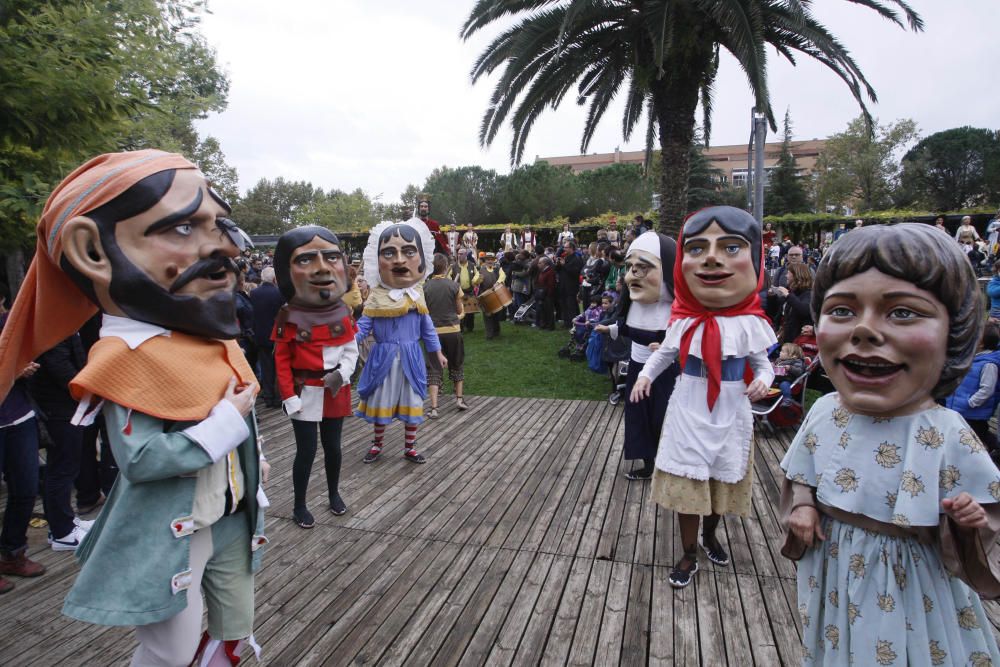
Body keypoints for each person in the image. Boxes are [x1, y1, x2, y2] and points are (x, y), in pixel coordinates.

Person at [0, 150, 266, 665]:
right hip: (173, 537)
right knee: (171, 652)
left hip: (231, 518)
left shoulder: (208, 342)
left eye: (220, 224)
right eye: (184, 227)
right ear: (92, 252)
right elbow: (140, 460)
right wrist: (224, 427)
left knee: (234, 636)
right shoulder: (126, 358)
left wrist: (247, 463)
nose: (225, 246)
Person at [780, 222, 1000, 667]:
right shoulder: (826, 410)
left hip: (912, 581)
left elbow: (987, 513)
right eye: (841, 311)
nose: (863, 331)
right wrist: (803, 505)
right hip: (836, 566)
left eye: (902, 312)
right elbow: (801, 470)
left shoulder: (946, 430)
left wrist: (970, 520)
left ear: (953, 332)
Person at [631, 206, 776, 588]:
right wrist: (644, 376)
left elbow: (763, 364)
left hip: (731, 409)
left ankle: (712, 535)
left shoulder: (750, 322)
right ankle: (689, 552)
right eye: (697, 249)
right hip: (689, 406)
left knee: (721, 480)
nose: (712, 258)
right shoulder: (684, 319)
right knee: (688, 483)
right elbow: (663, 353)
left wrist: (763, 380)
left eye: (730, 248)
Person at [272, 226, 358, 528]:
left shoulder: (343, 312)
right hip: (304, 391)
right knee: (306, 451)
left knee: (333, 448)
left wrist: (343, 374)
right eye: (307, 259)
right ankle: (299, 504)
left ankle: (334, 493)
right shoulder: (288, 315)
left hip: (335, 389)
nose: (322, 267)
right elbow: (281, 361)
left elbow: (351, 350)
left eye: (331, 257)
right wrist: (289, 397)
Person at [355, 218, 446, 465]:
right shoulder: (375, 298)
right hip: (382, 357)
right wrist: (348, 342)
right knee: (381, 400)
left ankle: (410, 447)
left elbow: (428, 329)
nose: (398, 260)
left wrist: (437, 352)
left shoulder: (418, 297)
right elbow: (363, 327)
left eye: (408, 252)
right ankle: (377, 444)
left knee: (411, 401)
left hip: (410, 357)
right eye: (389, 253)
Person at [596, 231, 679, 480]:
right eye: (630, 267)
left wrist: (668, 347)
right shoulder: (635, 306)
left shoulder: (677, 312)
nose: (631, 275)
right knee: (638, 417)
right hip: (637, 367)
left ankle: (670, 465)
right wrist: (608, 328)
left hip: (665, 375)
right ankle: (648, 463)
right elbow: (628, 328)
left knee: (663, 418)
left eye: (642, 268)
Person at [28, 333, 92, 551]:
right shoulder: (54, 327)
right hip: (59, 407)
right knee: (62, 469)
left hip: (65, 405)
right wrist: (87, 390)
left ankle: (65, 521)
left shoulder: (63, 325)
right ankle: (62, 533)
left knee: (66, 466)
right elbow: (60, 367)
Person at [0, 306, 46, 593]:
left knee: (27, 488)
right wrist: (12, 370)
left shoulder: (9, 322)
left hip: (19, 416)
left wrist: (26, 366)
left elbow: (29, 353)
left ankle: (11, 553)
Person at [424, 254, 468, 418]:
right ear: (445, 267)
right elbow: (458, 310)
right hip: (453, 330)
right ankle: (459, 400)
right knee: (457, 364)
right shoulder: (453, 286)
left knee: (434, 368)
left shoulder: (425, 287)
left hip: (433, 333)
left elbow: (424, 312)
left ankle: (434, 408)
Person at [945, 321, 1000, 453]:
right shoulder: (972, 358)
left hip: (974, 413)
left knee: (975, 438)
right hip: (961, 409)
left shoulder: (988, 365)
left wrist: (971, 402)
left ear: (981, 343)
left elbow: (987, 389)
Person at [250, 267, 284, 408]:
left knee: (265, 367)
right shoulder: (279, 293)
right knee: (278, 367)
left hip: (260, 336)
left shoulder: (253, 293)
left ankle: (268, 396)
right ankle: (278, 397)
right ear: (275, 279)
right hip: (277, 335)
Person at [775, 262, 813, 343]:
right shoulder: (791, 291)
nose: (786, 276)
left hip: (798, 342)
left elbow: (804, 310)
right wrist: (771, 297)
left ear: (796, 275)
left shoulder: (809, 293)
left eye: (788, 273)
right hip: (785, 338)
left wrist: (788, 295)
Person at [450, 247, 481, 332]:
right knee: (459, 310)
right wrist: (452, 284)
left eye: (461, 254)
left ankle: (470, 328)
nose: (459, 255)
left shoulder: (472, 265)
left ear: (466, 255)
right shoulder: (453, 266)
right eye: (458, 254)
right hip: (458, 292)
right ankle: (461, 328)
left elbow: (477, 274)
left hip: (469, 291)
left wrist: (475, 280)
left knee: (470, 311)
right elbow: (448, 277)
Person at [555, 240, 584, 326]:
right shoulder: (566, 257)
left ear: (571, 248)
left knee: (571, 305)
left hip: (571, 286)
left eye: (566, 247)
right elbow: (558, 270)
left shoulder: (577, 258)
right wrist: (558, 264)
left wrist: (564, 265)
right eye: (564, 247)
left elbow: (575, 272)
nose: (564, 249)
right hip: (563, 285)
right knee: (564, 304)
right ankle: (566, 322)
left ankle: (574, 323)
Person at [479, 252, 506, 340]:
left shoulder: (498, 268)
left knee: (496, 314)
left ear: (494, 260)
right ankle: (489, 334)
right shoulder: (481, 270)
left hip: (497, 294)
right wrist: (478, 280)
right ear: (485, 261)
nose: (489, 261)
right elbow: (475, 281)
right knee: (487, 315)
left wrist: (498, 283)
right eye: (488, 259)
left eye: (491, 259)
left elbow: (503, 276)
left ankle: (496, 332)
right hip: (485, 294)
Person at [534, 256, 557, 330]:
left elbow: (551, 285)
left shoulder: (550, 272)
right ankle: (544, 325)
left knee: (549, 311)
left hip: (548, 295)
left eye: (540, 263)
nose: (538, 264)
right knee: (543, 311)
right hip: (542, 295)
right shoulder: (542, 271)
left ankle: (550, 326)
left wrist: (548, 295)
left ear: (544, 263)